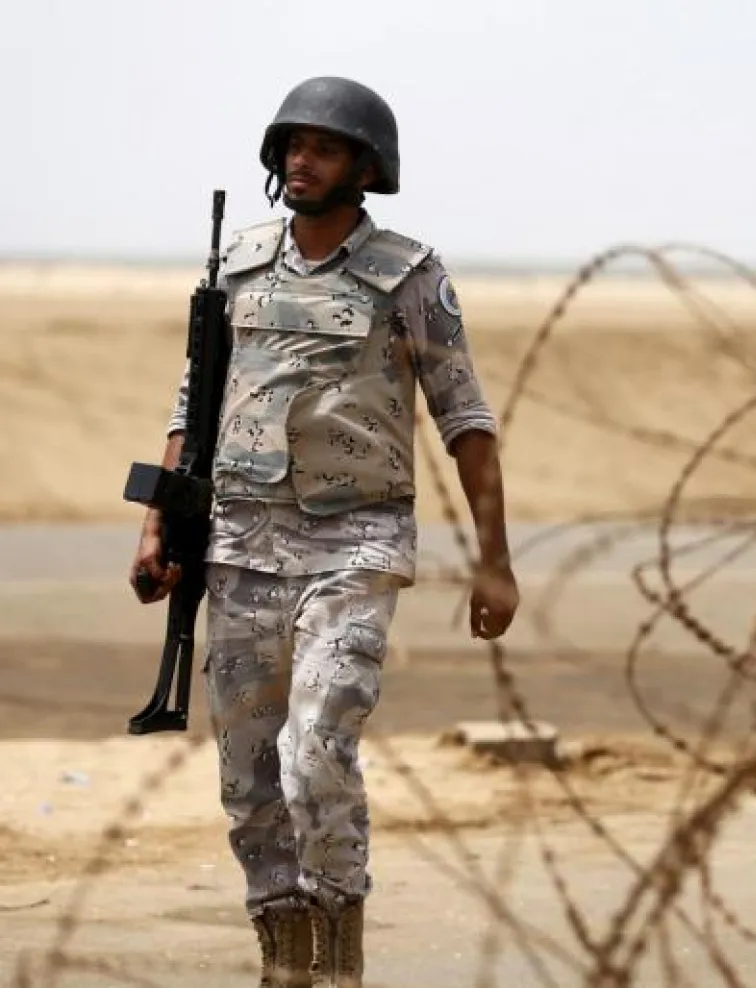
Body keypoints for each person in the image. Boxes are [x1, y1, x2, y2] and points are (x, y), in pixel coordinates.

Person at [128, 75, 520, 987]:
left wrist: (494, 564)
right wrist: (159, 524)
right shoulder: (240, 265)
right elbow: (197, 397)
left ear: (365, 168)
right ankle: (285, 962)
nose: (301, 160)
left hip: (355, 548)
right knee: (249, 780)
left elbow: (466, 419)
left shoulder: (409, 274)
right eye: (292, 145)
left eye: (325, 147)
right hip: (237, 548)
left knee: (316, 753)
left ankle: (339, 957)